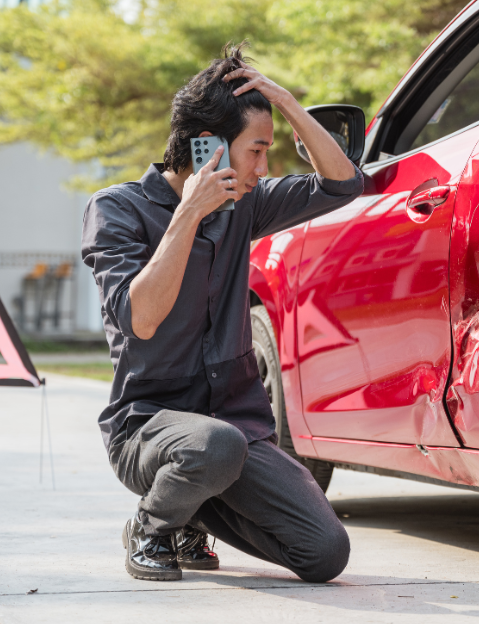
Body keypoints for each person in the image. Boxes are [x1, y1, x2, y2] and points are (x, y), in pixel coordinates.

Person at [81, 43, 363, 583]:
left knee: (325, 552)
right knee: (215, 444)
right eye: (256, 150)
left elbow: (342, 183)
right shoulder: (116, 210)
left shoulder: (247, 205)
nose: (263, 167)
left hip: (236, 431)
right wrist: (189, 212)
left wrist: (287, 104)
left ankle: (190, 510)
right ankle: (152, 526)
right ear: (206, 145)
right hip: (147, 432)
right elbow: (141, 320)